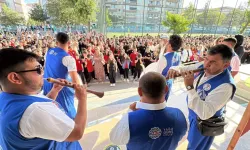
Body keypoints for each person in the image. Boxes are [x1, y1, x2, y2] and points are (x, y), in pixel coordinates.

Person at [0, 48, 87, 149]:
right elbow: (77, 132)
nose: (43, 73)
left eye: (42, 67)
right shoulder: (35, 110)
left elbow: (37, 116)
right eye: (38, 70)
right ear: (15, 78)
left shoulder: (7, 97)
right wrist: (82, 99)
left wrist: (54, 91)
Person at [167, 44, 236, 150]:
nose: (207, 64)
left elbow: (205, 113)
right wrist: (174, 69)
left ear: (225, 65)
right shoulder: (202, 66)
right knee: (190, 141)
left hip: (205, 123)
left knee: (196, 147)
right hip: (193, 116)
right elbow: (182, 68)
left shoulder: (226, 86)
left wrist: (190, 87)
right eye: (206, 59)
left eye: (213, 62)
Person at [109, 72, 188, 150]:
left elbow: (115, 139)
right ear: (166, 89)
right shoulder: (179, 115)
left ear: (140, 91)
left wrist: (130, 112)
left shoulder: (129, 119)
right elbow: (181, 134)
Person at [43, 32, 82, 119]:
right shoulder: (69, 58)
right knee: (67, 114)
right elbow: (75, 79)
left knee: (52, 113)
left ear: (56, 42)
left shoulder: (49, 51)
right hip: (61, 90)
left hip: (47, 87)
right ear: (69, 43)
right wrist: (78, 92)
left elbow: (46, 67)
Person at [157, 34, 182, 100]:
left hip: (161, 83)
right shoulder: (178, 55)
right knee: (165, 100)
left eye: (168, 42)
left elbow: (157, 72)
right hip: (170, 81)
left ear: (170, 45)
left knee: (158, 102)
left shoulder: (164, 58)